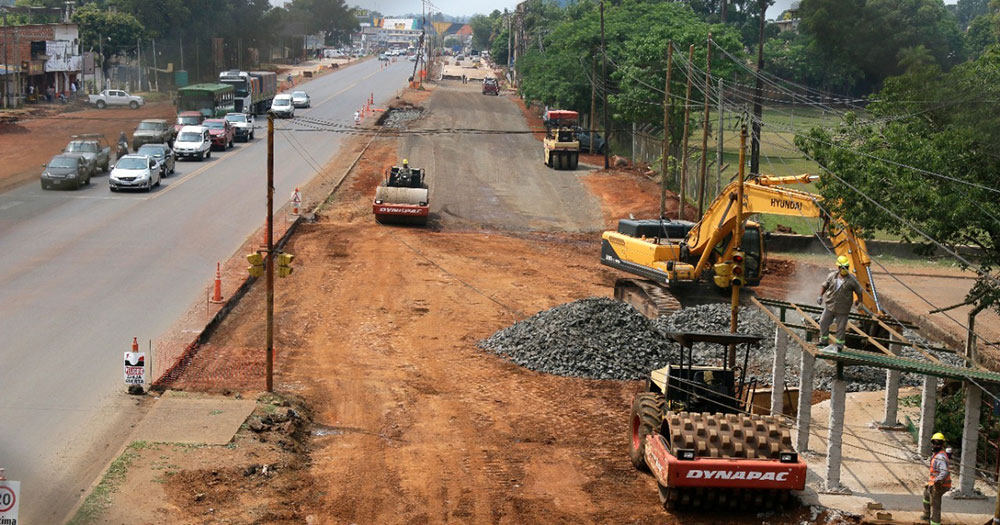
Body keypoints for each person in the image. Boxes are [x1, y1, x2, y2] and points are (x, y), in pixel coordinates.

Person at [817, 255, 863, 352]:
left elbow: (859, 291)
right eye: (844, 268)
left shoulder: (852, 280)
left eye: (847, 267)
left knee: (841, 328)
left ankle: (839, 346)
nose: (845, 269)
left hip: (843, 308)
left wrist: (860, 302)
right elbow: (825, 285)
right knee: (823, 322)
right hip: (830, 305)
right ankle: (823, 341)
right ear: (839, 267)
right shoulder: (832, 276)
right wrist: (820, 296)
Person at [921, 432, 951, 525]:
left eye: (938, 443)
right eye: (934, 442)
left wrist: (936, 481)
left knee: (935, 505)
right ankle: (926, 515)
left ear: (942, 445)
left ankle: (935, 523)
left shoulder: (940, 457)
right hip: (934, 482)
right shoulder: (936, 454)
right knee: (926, 494)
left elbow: (944, 472)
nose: (935, 445)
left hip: (941, 485)